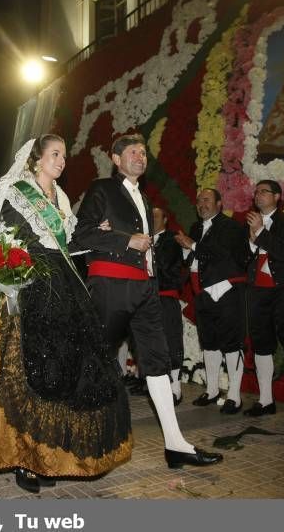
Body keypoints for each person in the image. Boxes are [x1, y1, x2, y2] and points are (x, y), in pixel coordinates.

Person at [0, 135, 132, 493]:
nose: (61, 161)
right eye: (54, 154)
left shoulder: (60, 199)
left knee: (66, 369)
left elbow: (69, 244)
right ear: (36, 160)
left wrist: (98, 233)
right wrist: (2, 275)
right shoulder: (17, 191)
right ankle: (23, 458)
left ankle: (51, 454)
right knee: (29, 372)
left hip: (64, 287)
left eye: (64, 156)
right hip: (30, 286)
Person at [73, 133, 223, 468]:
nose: (141, 157)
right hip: (111, 285)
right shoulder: (102, 189)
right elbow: (79, 236)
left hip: (145, 290)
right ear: (115, 158)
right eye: (133, 151)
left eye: (144, 152)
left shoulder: (142, 195)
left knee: (157, 362)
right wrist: (126, 240)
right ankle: (72, 435)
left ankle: (176, 444)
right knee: (95, 359)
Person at [245, 180, 284, 425]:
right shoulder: (250, 222)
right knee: (261, 345)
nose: (258, 195)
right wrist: (251, 243)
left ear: (277, 197)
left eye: (264, 191)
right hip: (258, 292)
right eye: (256, 192)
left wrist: (261, 233)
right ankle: (265, 400)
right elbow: (245, 259)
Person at [177, 189, 248, 414]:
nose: (201, 204)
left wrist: (193, 245)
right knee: (209, 342)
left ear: (219, 203)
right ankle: (212, 389)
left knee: (231, 342)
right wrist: (185, 250)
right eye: (198, 201)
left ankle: (235, 396)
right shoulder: (196, 228)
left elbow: (223, 253)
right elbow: (194, 258)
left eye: (206, 200)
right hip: (202, 292)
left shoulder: (231, 226)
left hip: (226, 290)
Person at [151, 207, 186, 405]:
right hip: (146, 298)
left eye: (156, 216)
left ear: (165, 218)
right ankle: (157, 384)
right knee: (152, 343)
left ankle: (176, 388)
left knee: (171, 340)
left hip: (165, 297)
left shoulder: (172, 239)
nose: (152, 219)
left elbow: (164, 265)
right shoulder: (143, 238)